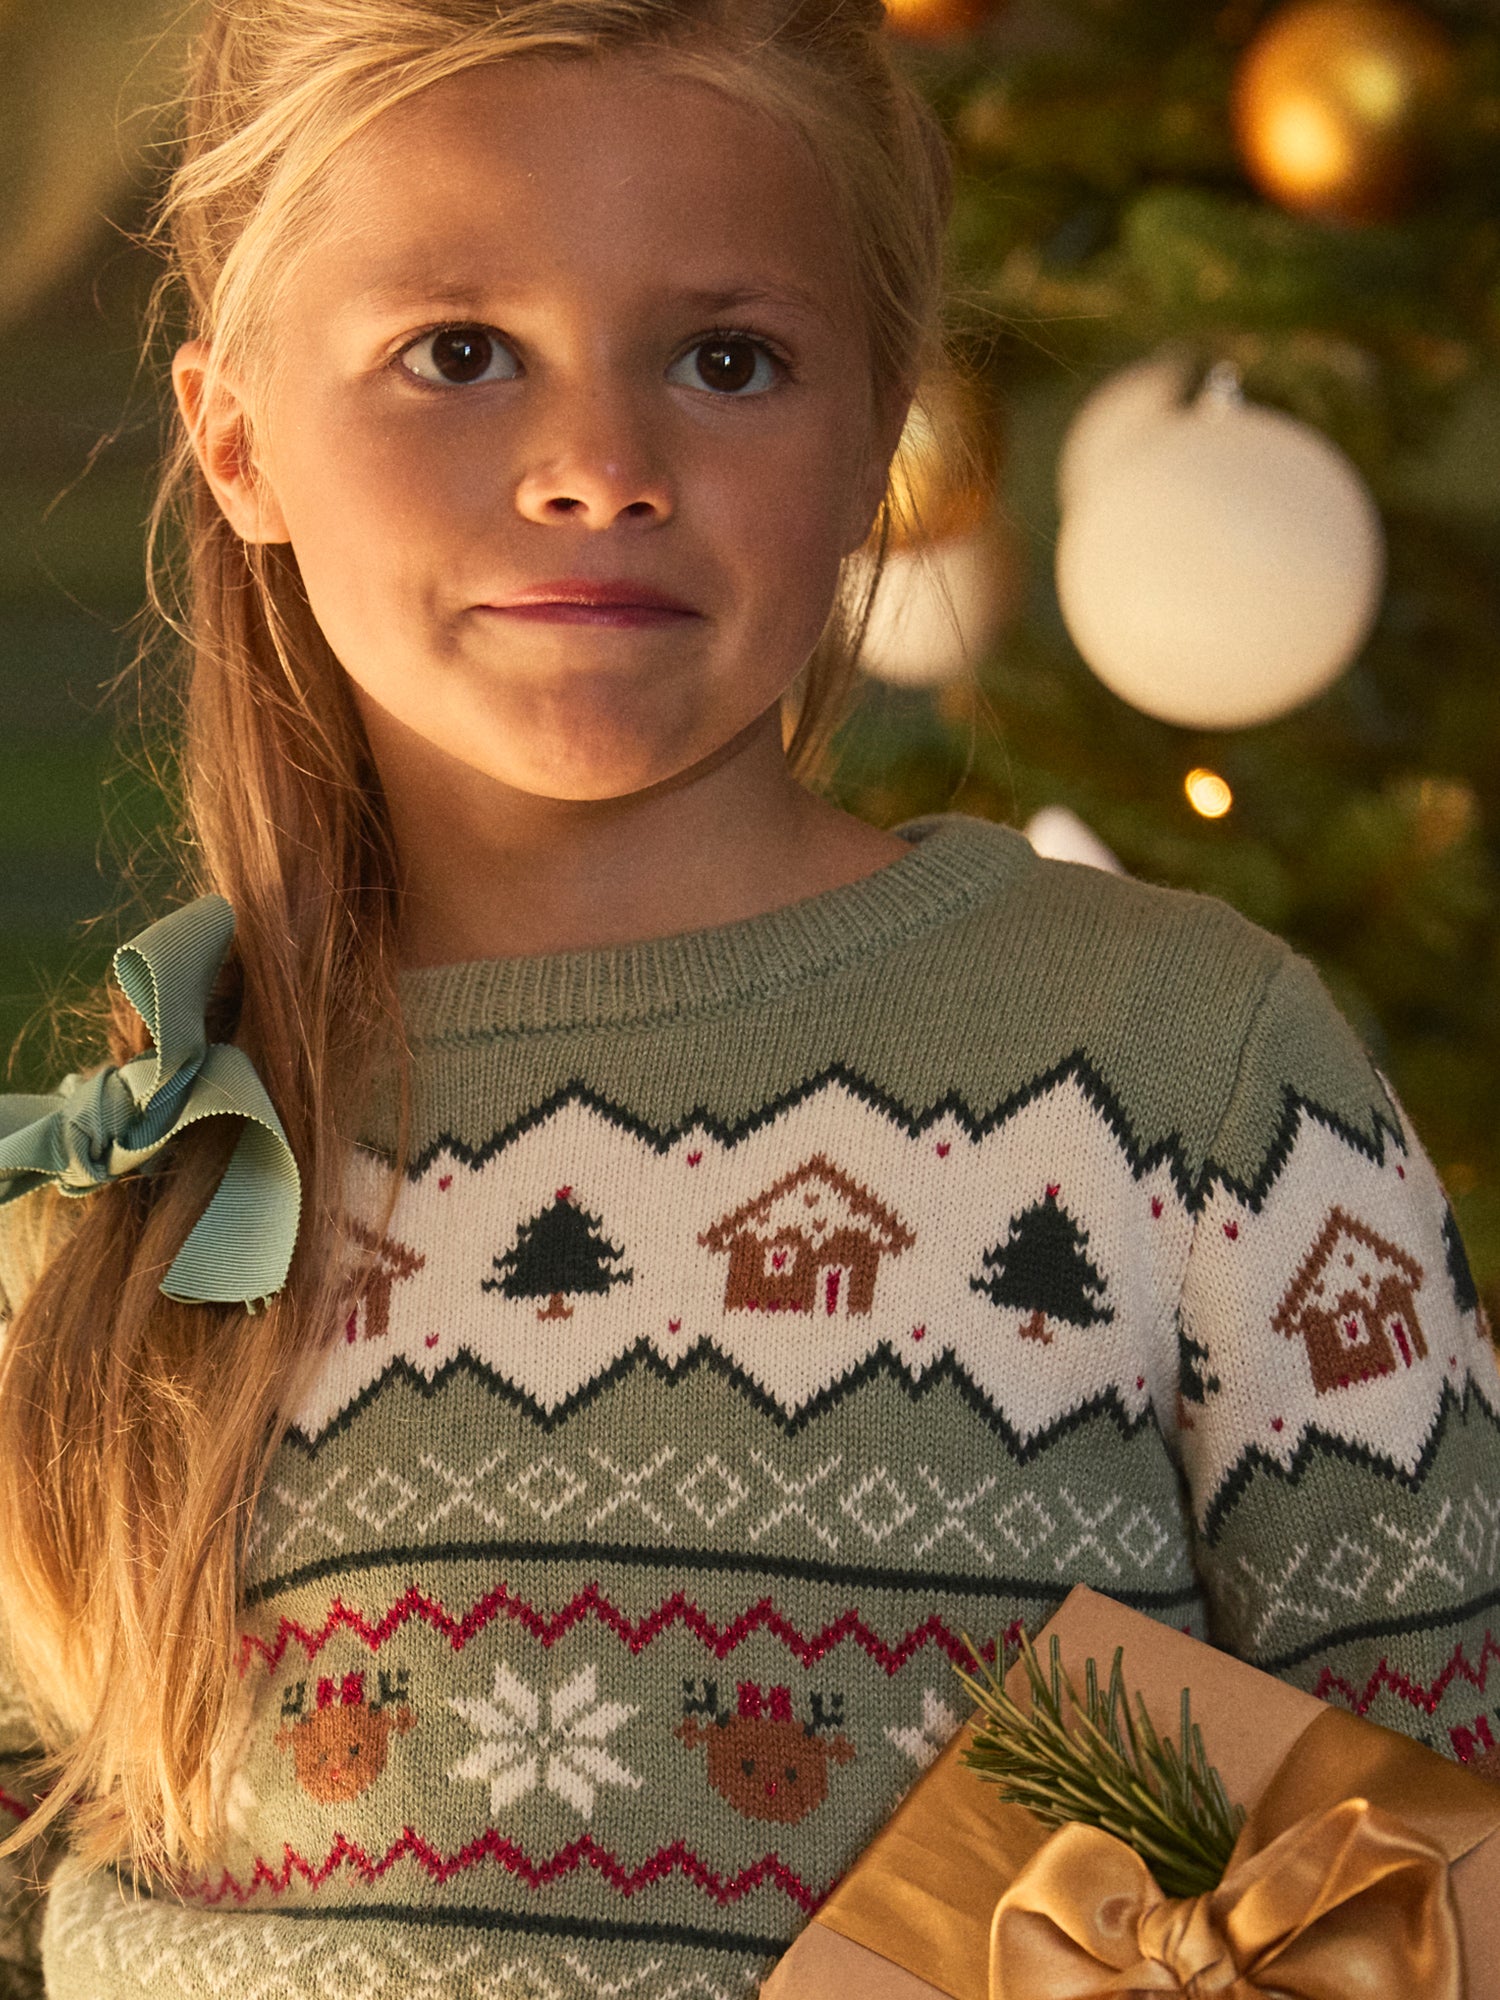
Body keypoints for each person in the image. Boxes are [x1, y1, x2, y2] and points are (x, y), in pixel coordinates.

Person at [0, 2, 1496, 1995]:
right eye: (457, 352)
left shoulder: (1188, 1077)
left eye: (728, 358)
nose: (602, 468)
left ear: (879, 434)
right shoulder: (123, 1188)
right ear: (237, 435)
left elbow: (1445, 1868)